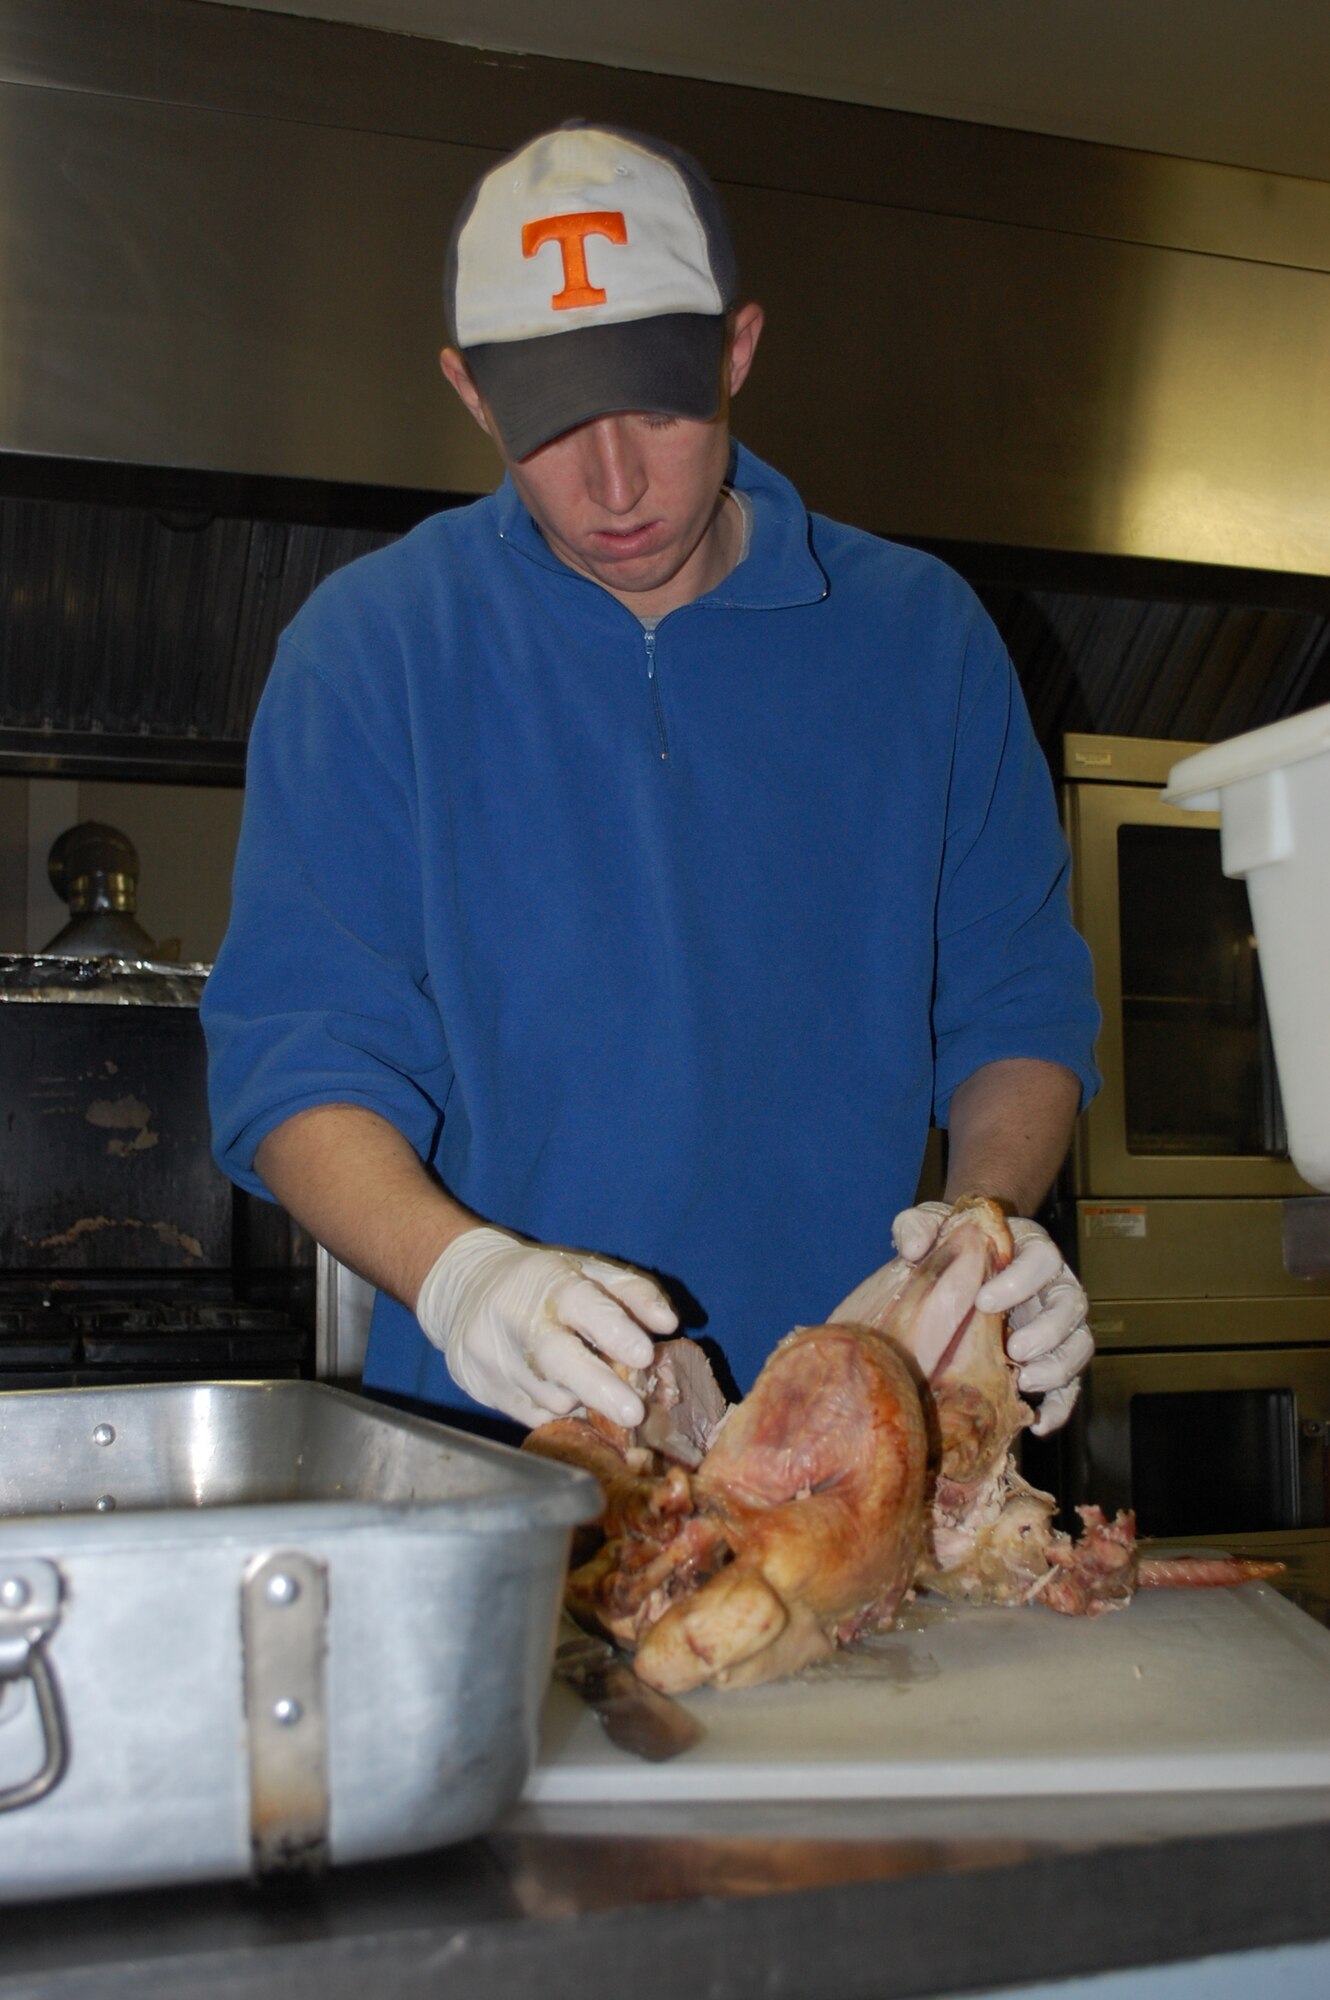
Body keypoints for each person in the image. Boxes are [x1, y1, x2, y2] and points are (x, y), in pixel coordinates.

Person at [202, 120, 1101, 1442]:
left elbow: (1013, 1003)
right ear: (467, 393)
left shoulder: (923, 638)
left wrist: (983, 1238)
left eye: (663, 409)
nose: (612, 484)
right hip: (493, 1433)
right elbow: (296, 1054)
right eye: (554, 427)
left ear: (736, 350)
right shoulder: (373, 647)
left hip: (850, 1425)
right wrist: (465, 1274)